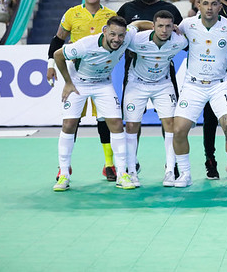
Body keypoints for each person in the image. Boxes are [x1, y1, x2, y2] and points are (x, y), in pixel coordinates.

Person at [52, 16, 139, 191]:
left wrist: (156, 25)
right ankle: (63, 174)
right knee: (69, 124)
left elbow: (137, 25)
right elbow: (58, 55)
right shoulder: (85, 45)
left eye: (121, 35)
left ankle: (122, 174)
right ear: (105, 31)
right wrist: (68, 83)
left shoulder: (127, 37)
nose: (117, 39)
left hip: (103, 84)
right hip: (78, 84)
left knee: (115, 123)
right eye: (113, 34)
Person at [170, 0, 227, 187]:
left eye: (213, 4)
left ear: (220, 6)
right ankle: (184, 174)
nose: (209, 8)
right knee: (178, 130)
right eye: (205, 3)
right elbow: (166, 30)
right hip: (193, 85)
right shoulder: (188, 25)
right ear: (198, 5)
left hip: (220, 85)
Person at [122, 11, 187, 187]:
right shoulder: (136, 39)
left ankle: (170, 171)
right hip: (137, 84)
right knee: (131, 125)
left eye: (168, 26)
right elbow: (132, 27)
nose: (164, 30)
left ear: (173, 27)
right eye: (160, 26)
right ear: (153, 26)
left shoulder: (179, 41)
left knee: (171, 124)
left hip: (163, 84)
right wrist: (142, 23)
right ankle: (131, 171)